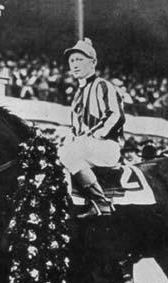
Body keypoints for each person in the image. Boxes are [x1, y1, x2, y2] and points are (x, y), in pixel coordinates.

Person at [58, 38, 125, 218]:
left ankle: (100, 201)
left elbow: (116, 116)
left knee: (65, 153)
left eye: (79, 59)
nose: (74, 64)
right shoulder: (77, 95)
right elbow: (75, 129)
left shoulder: (103, 85)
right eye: (72, 61)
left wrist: (95, 135)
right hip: (85, 149)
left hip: (106, 146)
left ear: (93, 62)